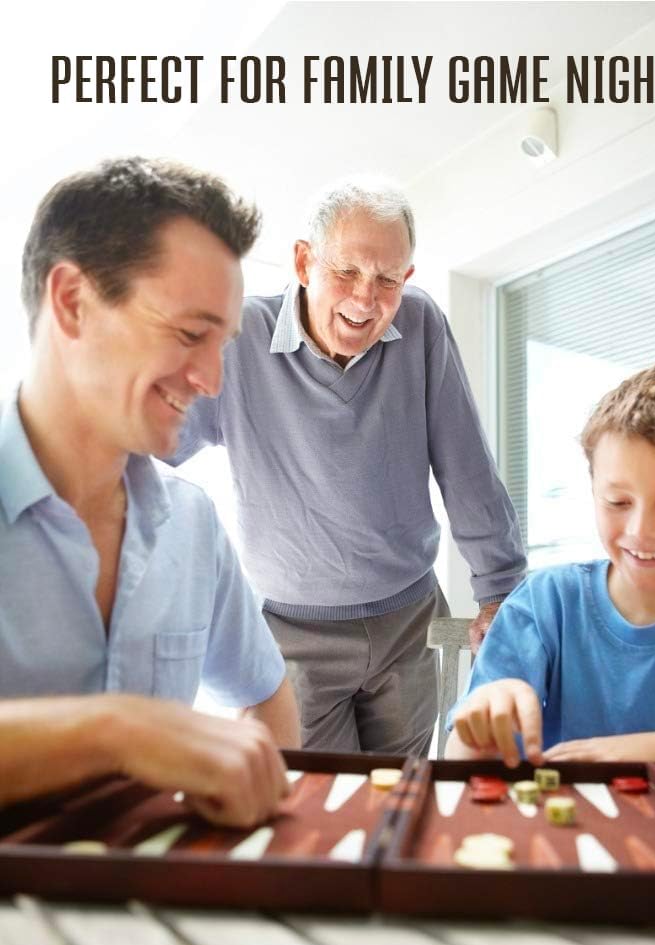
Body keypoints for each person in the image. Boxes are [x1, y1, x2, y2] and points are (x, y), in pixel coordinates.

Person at [169, 178, 526, 756]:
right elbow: (151, 444)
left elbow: (466, 465)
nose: (365, 300)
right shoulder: (238, 337)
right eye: (347, 271)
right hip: (292, 637)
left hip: (408, 622)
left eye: (388, 279)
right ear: (304, 262)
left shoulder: (421, 324)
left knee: (402, 793)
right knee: (317, 801)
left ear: (407, 278)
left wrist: (501, 589)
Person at [0, 157, 300, 824]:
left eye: (221, 344)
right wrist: (114, 732)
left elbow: (266, 698)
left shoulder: (192, 523)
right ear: (72, 302)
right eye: (191, 334)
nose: (212, 381)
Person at [447, 360, 655, 770]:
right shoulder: (546, 604)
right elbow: (460, 757)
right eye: (617, 501)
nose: (641, 530)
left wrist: (646, 751)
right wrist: (481, 726)